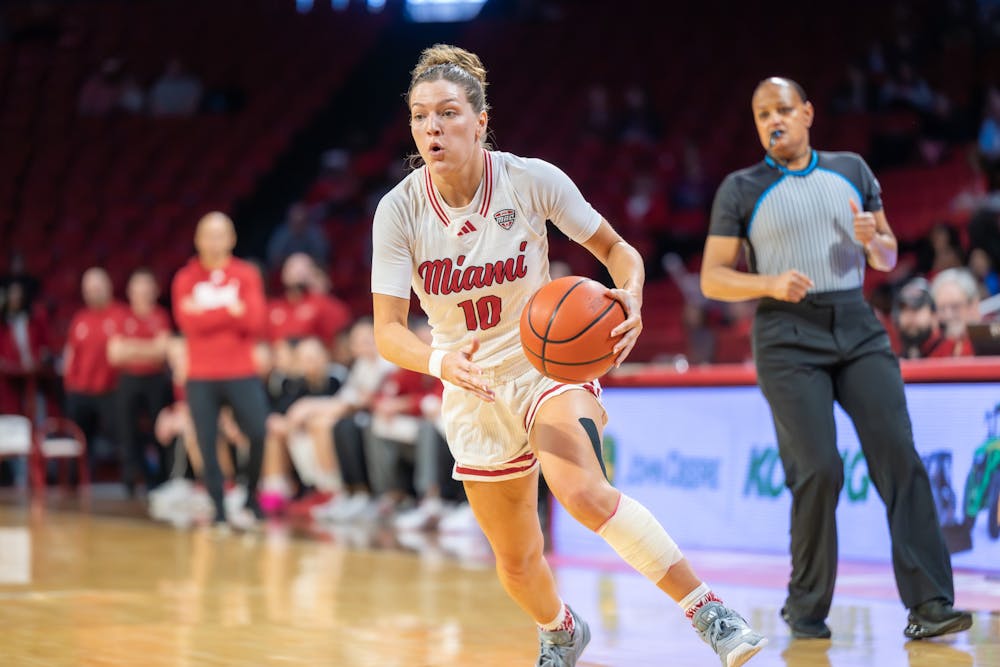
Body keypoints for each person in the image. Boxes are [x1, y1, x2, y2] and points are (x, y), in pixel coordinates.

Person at [370, 44, 766, 667]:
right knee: (518, 560)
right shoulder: (399, 210)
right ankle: (560, 629)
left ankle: (709, 612)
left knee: (582, 492)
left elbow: (619, 251)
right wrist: (441, 364)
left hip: (544, 365)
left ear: (480, 119)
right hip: (468, 383)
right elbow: (388, 332)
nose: (432, 128)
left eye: (447, 113)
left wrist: (629, 297)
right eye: (421, 117)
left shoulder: (531, 179)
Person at [700, 76, 972, 641]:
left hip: (855, 322)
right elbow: (713, 278)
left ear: (807, 113)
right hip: (785, 334)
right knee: (819, 470)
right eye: (761, 114)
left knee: (899, 455)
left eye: (782, 109)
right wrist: (770, 283)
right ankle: (805, 608)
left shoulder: (851, 169)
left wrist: (876, 241)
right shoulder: (740, 188)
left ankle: (931, 605)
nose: (772, 120)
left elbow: (889, 255)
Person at [171, 212, 268, 529]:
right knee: (206, 440)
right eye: (207, 234)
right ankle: (219, 508)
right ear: (198, 239)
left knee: (258, 431)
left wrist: (208, 313)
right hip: (200, 374)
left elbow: (254, 321)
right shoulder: (184, 278)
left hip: (241, 370)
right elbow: (188, 323)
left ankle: (251, 496)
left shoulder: (246, 274)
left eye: (220, 234)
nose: (214, 241)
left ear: (232, 238)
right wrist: (230, 311)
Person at [107, 268, 172, 494]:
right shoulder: (121, 317)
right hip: (129, 380)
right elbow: (114, 354)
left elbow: (163, 352)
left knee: (159, 428)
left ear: (154, 290)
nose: (142, 291)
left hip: (155, 379)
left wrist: (131, 347)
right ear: (130, 291)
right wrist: (149, 348)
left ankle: (163, 477)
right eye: (138, 286)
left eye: (146, 286)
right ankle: (132, 478)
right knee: (127, 431)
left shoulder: (161, 316)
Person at [63, 268, 124, 474]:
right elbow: (71, 353)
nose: (93, 293)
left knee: (122, 437)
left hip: (111, 390)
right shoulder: (80, 318)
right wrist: (69, 384)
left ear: (108, 287)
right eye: (88, 289)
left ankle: (132, 483)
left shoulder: (120, 315)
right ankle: (75, 485)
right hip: (80, 391)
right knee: (78, 443)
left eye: (97, 287)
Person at [929, 268, 981, 357]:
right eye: (942, 308)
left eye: (955, 306)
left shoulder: (990, 342)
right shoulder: (932, 346)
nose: (948, 315)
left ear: (973, 305)